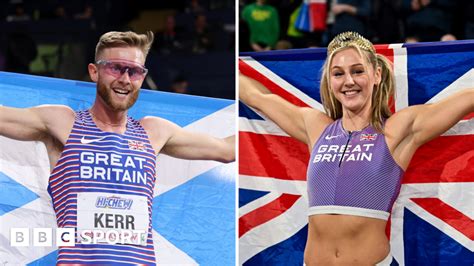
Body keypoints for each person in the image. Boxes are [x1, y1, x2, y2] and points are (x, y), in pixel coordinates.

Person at [0, 31, 234, 264]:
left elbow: (227, 149)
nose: (124, 78)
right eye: (115, 68)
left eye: (134, 71)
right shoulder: (63, 123)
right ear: (94, 71)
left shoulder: (154, 132)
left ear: (142, 77)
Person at [239, 31, 473, 265]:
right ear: (330, 82)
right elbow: (256, 96)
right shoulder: (315, 127)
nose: (348, 81)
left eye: (358, 71)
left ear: (377, 75)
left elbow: (468, 97)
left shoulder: (396, 130)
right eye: (338, 73)